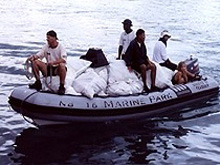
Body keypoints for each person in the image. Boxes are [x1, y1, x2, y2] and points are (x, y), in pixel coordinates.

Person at [27, 30, 67, 95]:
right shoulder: (46, 46)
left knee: (62, 65)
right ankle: (38, 82)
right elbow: (39, 55)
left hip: (57, 68)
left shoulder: (61, 47)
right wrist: (33, 57)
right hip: (48, 68)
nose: (47, 39)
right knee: (35, 62)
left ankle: (62, 86)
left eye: (48, 38)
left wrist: (54, 62)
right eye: (47, 38)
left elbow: (63, 59)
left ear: (54, 38)